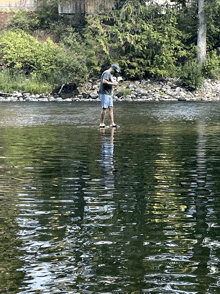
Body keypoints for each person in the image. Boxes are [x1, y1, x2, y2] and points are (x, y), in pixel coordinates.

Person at [99, 64, 120, 128]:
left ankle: (112, 123)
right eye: (115, 71)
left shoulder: (110, 74)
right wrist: (113, 83)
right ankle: (101, 123)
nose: (115, 72)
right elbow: (104, 81)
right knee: (104, 108)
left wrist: (114, 83)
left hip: (109, 93)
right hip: (104, 93)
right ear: (112, 69)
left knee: (111, 108)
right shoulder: (106, 73)